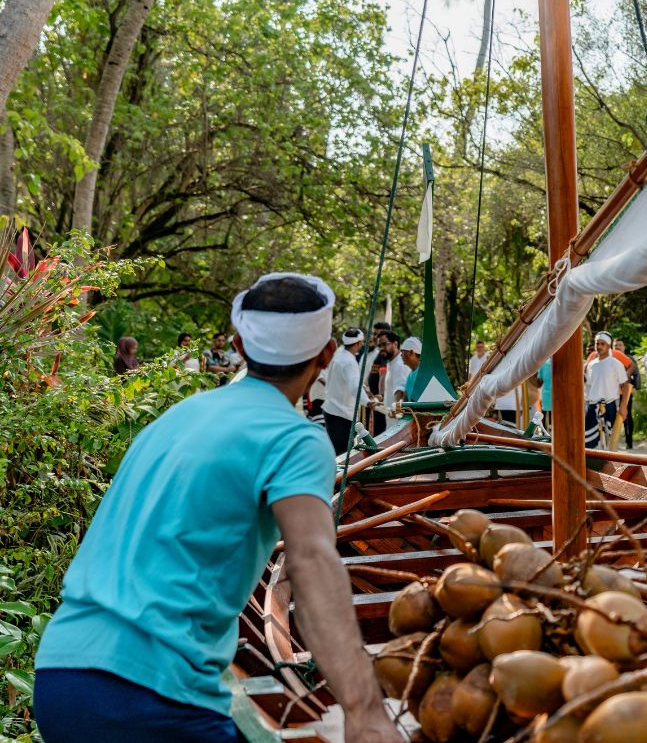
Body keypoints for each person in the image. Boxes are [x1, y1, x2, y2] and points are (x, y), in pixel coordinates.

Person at [33, 273, 400, 743]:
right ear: (326, 355)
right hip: (152, 697)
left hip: (60, 675)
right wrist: (365, 710)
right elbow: (311, 567)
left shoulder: (177, 417)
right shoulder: (296, 439)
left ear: (239, 346)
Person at [322, 328, 372, 455]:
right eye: (362, 342)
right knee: (342, 454)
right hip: (341, 414)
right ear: (358, 343)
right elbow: (355, 386)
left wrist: (365, 392)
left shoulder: (338, 356)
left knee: (337, 451)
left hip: (332, 411)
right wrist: (367, 402)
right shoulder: (349, 361)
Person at [584, 332, 629, 449]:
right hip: (592, 407)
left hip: (610, 406)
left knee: (610, 444)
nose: (599, 346)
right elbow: (589, 387)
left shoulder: (616, 364)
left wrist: (623, 406)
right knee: (589, 443)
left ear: (608, 345)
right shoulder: (591, 365)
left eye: (602, 344)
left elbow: (625, 385)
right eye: (597, 343)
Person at [614, 338, 640, 448]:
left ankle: (629, 442)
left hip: (626, 392)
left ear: (624, 347)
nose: (618, 347)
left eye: (620, 345)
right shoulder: (610, 358)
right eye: (616, 345)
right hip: (612, 393)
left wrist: (635, 387)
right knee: (612, 416)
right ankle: (613, 442)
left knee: (627, 416)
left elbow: (636, 374)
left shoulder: (630, 359)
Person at [367, 332, 394, 436]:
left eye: (376, 334)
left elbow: (383, 374)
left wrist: (381, 395)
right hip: (374, 399)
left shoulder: (384, 355)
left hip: (381, 401)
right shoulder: (378, 354)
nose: (374, 336)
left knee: (380, 431)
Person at [395, 337, 422, 403]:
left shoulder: (422, 373)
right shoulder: (410, 375)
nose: (401, 355)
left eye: (403, 351)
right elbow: (406, 398)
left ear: (411, 353)